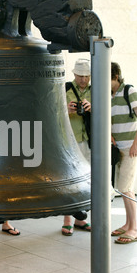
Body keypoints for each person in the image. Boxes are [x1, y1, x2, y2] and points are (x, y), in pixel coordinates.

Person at [61, 58, 92, 236]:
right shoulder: (65, 89)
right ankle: (67, 220)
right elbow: (54, 111)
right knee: (69, 181)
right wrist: (67, 109)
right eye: (80, 76)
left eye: (86, 76)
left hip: (87, 140)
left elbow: (106, 111)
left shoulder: (96, 90)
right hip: (69, 140)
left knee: (86, 180)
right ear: (74, 74)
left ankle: (81, 219)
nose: (83, 80)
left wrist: (92, 107)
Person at [111, 62, 137, 244]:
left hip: (130, 147)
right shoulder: (109, 96)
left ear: (115, 76)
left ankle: (134, 228)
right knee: (122, 187)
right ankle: (127, 224)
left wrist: (136, 144)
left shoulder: (130, 91)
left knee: (126, 188)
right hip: (117, 148)